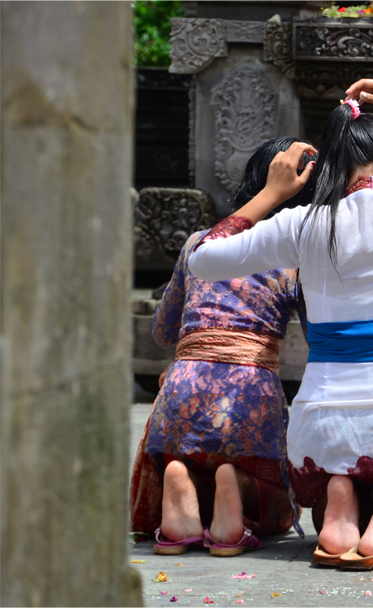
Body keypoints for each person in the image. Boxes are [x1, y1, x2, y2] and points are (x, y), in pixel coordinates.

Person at [187, 80, 373, 569]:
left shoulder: (301, 224)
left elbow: (202, 258)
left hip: (323, 422)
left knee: (327, 487)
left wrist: (270, 194)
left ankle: (337, 500)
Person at [130, 137, 314, 557]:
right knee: (275, 505)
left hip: (182, 390)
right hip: (249, 396)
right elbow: (322, 333)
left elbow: (163, 332)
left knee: (185, 458)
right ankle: (237, 493)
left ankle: (183, 485)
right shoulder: (295, 259)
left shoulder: (199, 243)